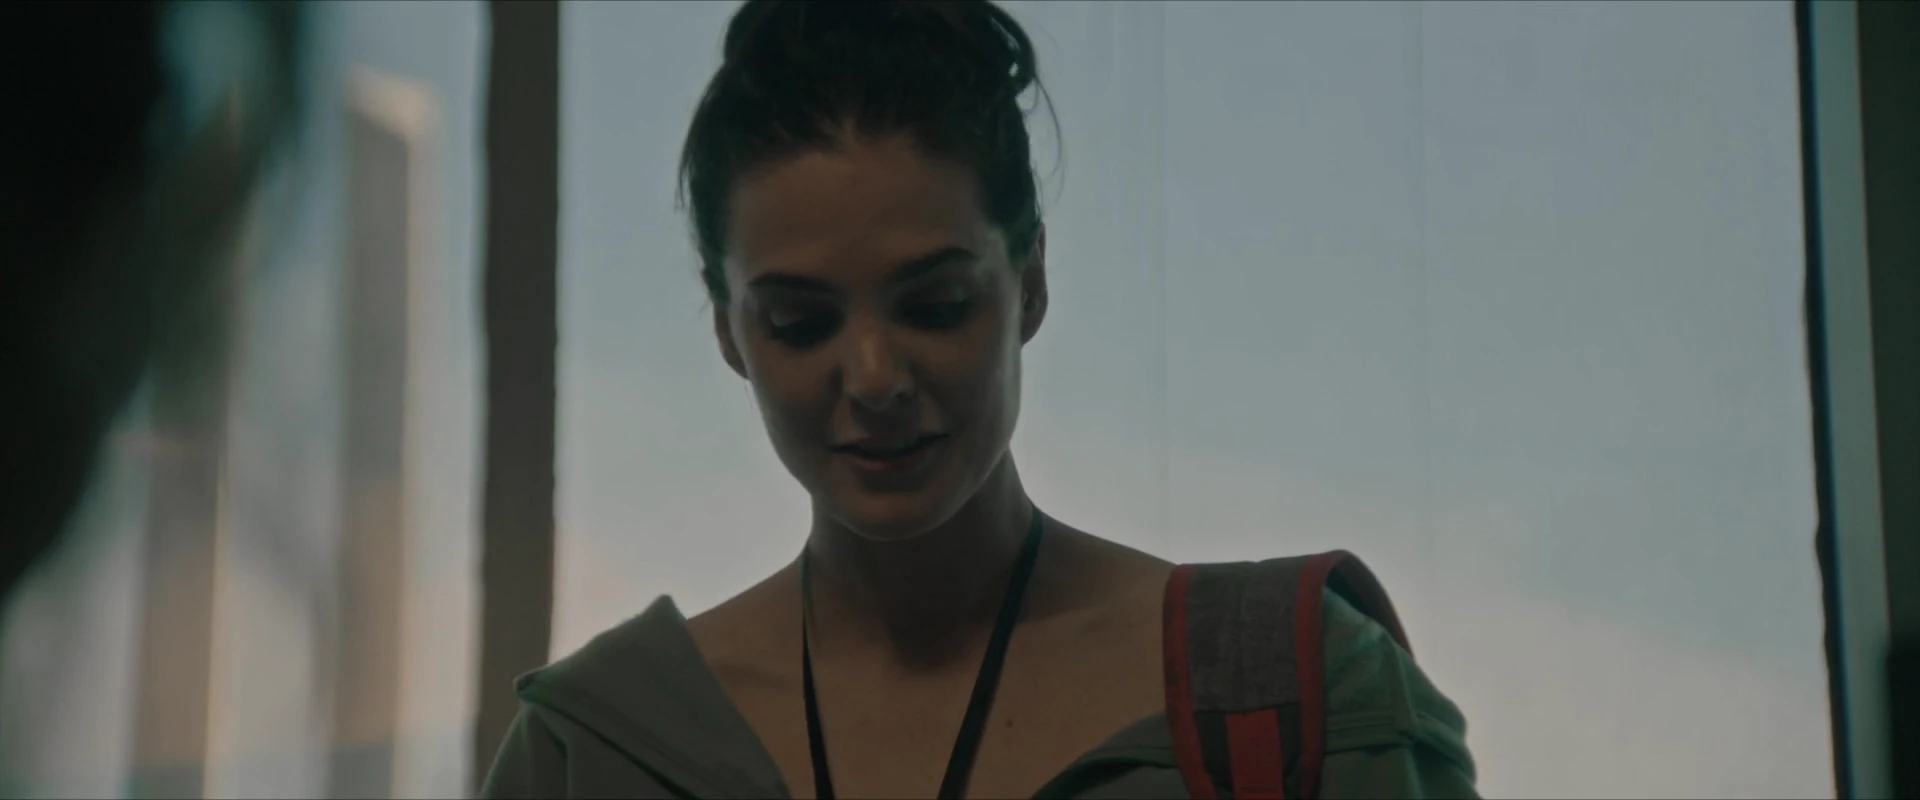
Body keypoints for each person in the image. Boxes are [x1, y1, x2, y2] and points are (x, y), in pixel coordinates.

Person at [480, 2, 1477, 798]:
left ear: (1030, 281)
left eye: (936, 305)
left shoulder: (1295, 692)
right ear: (727, 331)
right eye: (800, 323)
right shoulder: (595, 751)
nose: (875, 377)